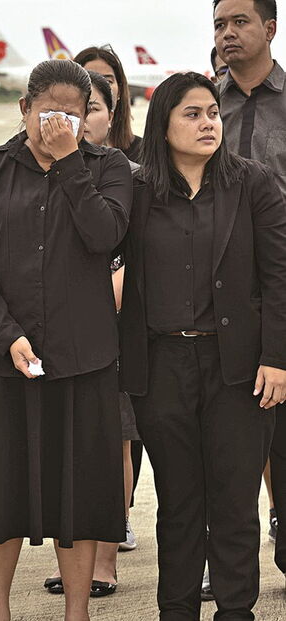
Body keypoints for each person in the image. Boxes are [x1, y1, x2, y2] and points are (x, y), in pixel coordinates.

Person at [0, 59, 131, 621]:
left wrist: (71, 161)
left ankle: (76, 611)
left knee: (76, 499)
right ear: (24, 109)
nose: (57, 124)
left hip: (83, 360)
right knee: (1, 497)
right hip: (2, 360)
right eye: (48, 112)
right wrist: (7, 334)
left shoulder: (109, 167)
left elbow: (105, 234)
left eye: (72, 115)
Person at [121, 70, 286, 620]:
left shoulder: (253, 183)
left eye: (212, 112)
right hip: (161, 366)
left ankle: (237, 612)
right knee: (179, 503)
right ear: (163, 124)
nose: (208, 122)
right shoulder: (136, 190)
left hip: (238, 368)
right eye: (192, 114)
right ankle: (177, 611)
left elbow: (279, 276)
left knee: (236, 501)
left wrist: (277, 358)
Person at [42, 71, 139, 600]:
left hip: (113, 329)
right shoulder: (39, 169)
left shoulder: (124, 169)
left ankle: (105, 556)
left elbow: (116, 242)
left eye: (90, 108)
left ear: (109, 112)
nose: (70, 120)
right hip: (61, 331)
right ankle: (74, 553)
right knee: (69, 450)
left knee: (112, 446)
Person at [215, 0, 286, 586]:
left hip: (283, 285)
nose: (228, 33)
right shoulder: (201, 106)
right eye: (219, 24)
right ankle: (229, 561)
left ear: (270, 27)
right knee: (230, 437)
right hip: (219, 298)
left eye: (240, 21)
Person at [73, 46, 142, 163]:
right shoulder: (53, 151)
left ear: (120, 90)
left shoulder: (141, 151)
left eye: (108, 81)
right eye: (89, 79)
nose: (99, 87)